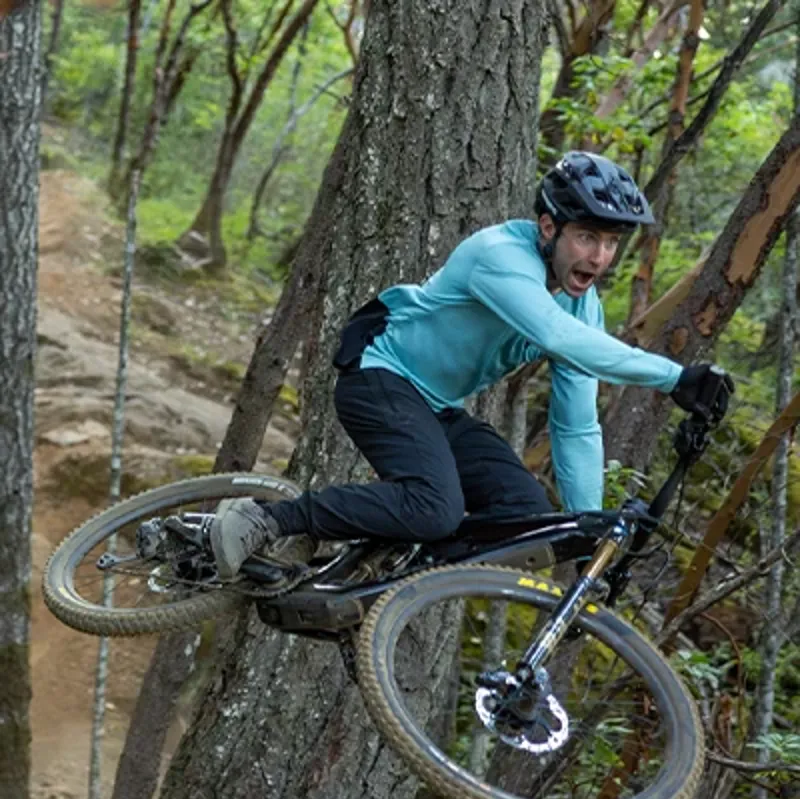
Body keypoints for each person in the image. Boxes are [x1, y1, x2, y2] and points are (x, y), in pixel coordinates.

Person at [211, 150, 733, 580]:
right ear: (549, 227)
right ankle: (268, 519)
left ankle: (374, 573)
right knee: (434, 506)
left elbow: (575, 425)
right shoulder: (500, 256)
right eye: (587, 237)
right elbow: (556, 336)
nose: (598, 258)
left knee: (531, 522)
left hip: (436, 407)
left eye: (611, 243)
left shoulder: (583, 307)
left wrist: (585, 534)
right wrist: (674, 377)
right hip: (380, 375)